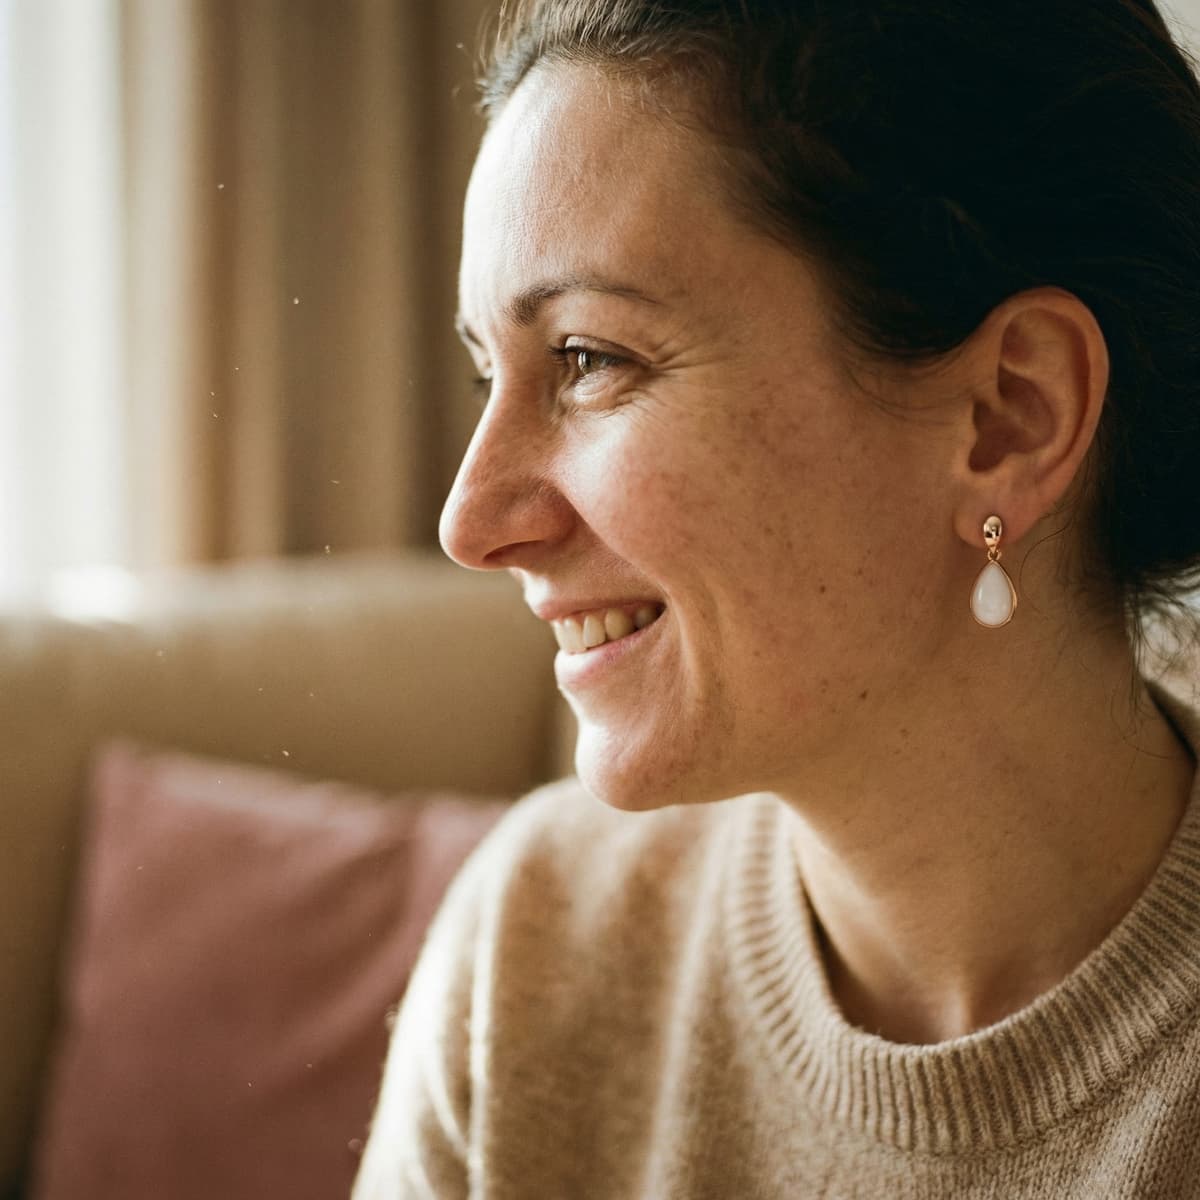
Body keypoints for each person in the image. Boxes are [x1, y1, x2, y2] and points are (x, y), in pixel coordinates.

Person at [353, 1, 1200, 1195]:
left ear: (1011, 414)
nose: (471, 519)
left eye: (592, 359)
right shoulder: (537, 945)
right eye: (491, 370)